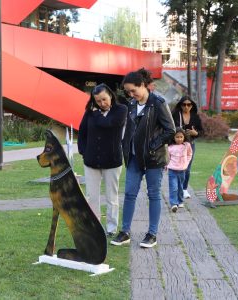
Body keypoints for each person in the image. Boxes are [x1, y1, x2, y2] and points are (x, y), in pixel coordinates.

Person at [111, 68, 175, 248]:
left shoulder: (158, 103)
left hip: (154, 158)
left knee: (153, 194)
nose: (131, 94)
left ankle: (152, 234)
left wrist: (152, 146)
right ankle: (125, 232)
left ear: (143, 85)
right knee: (130, 193)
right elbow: (131, 130)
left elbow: (170, 130)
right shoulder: (131, 105)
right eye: (128, 91)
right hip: (133, 157)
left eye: (133, 90)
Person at [77, 83, 128, 237]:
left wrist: (96, 112)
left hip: (112, 162)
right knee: (92, 197)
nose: (102, 103)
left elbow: (108, 124)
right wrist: (84, 152)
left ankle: (111, 228)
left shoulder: (121, 110)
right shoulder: (89, 112)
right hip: (91, 161)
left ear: (111, 95)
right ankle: (95, 227)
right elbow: (82, 133)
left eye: (104, 99)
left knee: (112, 197)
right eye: (98, 101)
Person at [171, 96, 203, 199]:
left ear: (192, 106)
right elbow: (169, 128)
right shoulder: (175, 115)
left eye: (189, 104)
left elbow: (202, 131)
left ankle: (184, 189)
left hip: (190, 145)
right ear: (180, 105)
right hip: (175, 146)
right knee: (175, 168)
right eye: (184, 104)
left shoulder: (195, 117)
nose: (186, 106)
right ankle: (176, 189)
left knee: (187, 168)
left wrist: (195, 133)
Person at [167, 128, 193, 212]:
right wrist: (167, 165)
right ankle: (173, 204)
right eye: (177, 137)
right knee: (173, 187)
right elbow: (167, 158)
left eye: (181, 137)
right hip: (172, 171)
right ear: (173, 137)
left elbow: (189, 154)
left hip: (182, 171)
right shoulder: (170, 147)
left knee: (180, 187)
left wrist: (186, 163)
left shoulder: (187, 145)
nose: (179, 139)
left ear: (184, 137)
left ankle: (180, 201)